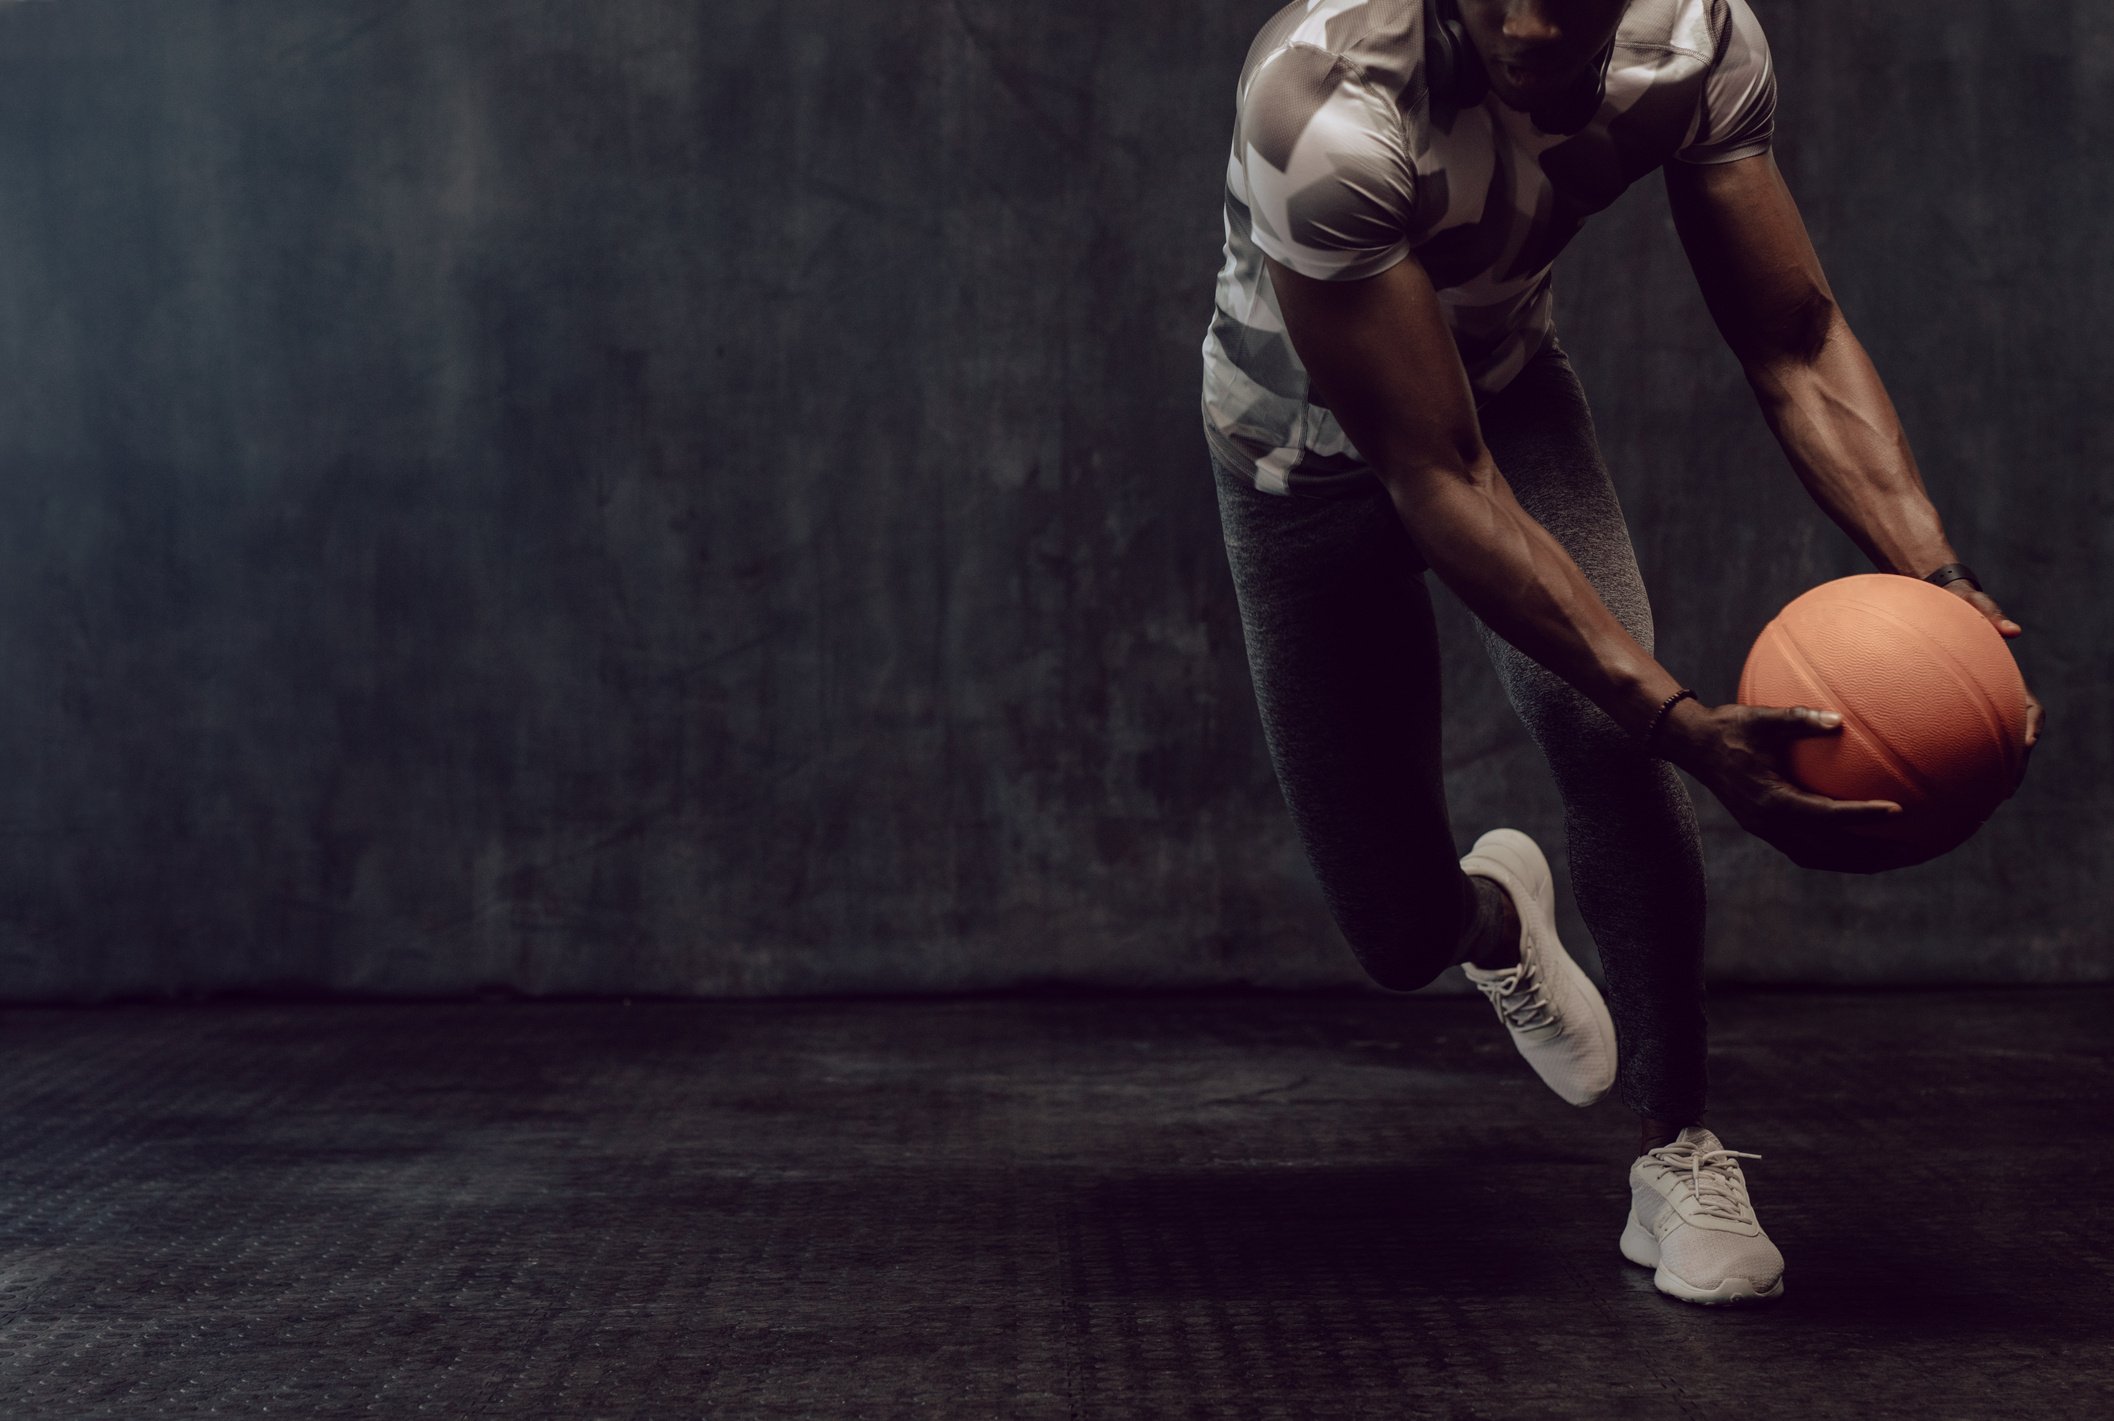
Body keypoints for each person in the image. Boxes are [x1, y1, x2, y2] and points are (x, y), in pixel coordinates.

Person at [1198, 0, 2044, 1306]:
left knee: (1604, 742)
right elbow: (1439, 479)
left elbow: (1791, 335)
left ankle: (1678, 1148)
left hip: (1508, 396)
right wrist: (1679, 716)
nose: (1533, 21)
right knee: (1392, 926)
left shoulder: (1693, 42)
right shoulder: (1323, 103)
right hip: (1299, 467)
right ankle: (1494, 916)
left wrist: (1935, 581)